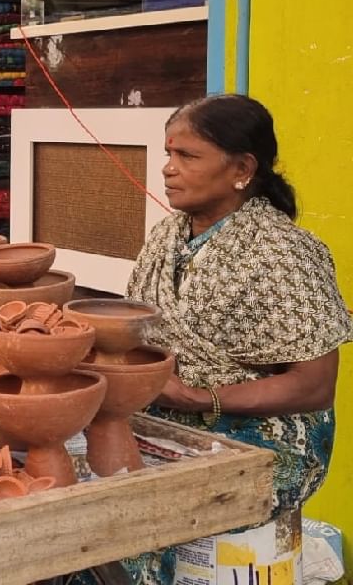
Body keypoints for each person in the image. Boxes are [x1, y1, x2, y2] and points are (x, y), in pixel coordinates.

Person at [79, 94, 351, 584]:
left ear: (242, 168)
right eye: (168, 153)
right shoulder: (167, 235)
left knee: (136, 517)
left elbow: (314, 386)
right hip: (169, 412)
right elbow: (137, 330)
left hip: (269, 435)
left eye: (187, 156)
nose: (168, 169)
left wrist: (203, 398)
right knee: (72, 485)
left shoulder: (286, 253)